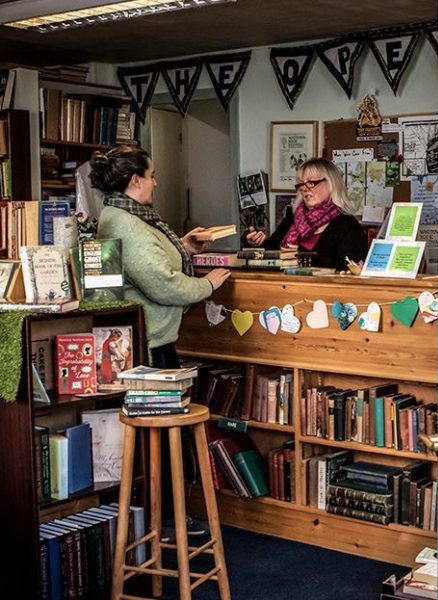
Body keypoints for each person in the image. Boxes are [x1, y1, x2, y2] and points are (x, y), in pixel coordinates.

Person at [89, 144, 230, 538]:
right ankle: (166, 520)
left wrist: (184, 247)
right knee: (163, 437)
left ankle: (166, 517)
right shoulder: (126, 222)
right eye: (151, 175)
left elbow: (150, 261)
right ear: (135, 180)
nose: (156, 181)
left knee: (164, 435)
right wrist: (205, 285)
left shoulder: (126, 214)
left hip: (151, 338)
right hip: (149, 345)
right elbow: (161, 283)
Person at [245, 157, 368, 271]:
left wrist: (304, 257)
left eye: (311, 183)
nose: (304, 188)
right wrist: (255, 244)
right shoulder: (292, 218)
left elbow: (352, 268)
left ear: (331, 184)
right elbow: (270, 252)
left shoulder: (347, 225)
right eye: (301, 184)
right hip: (283, 288)